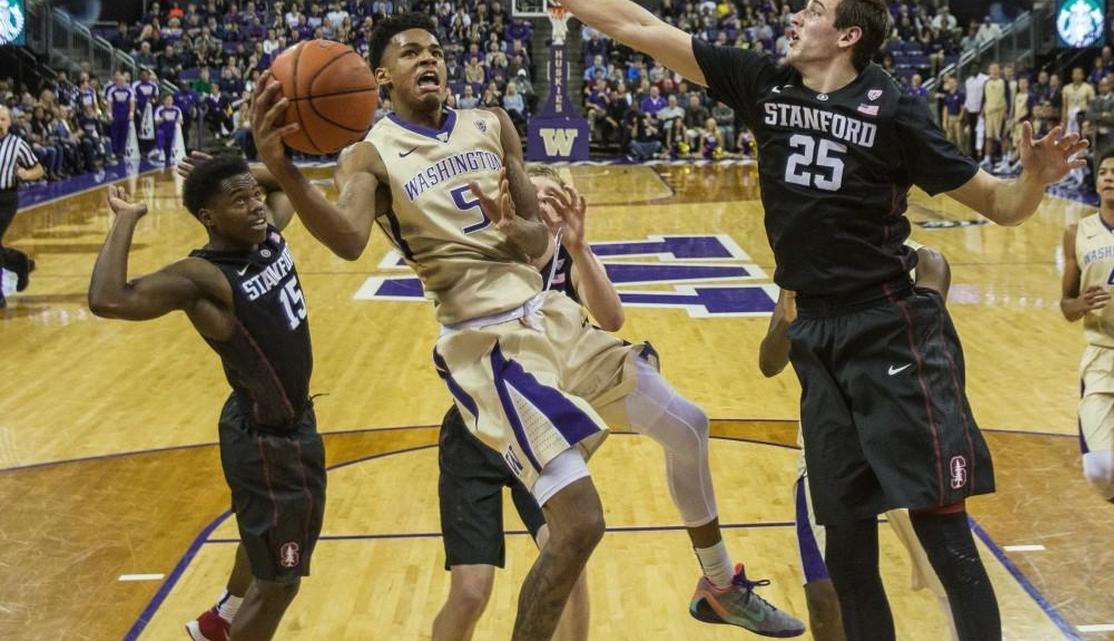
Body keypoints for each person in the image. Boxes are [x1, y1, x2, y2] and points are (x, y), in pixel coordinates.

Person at [249, 12, 803, 641]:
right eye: (409, 54)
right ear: (380, 76)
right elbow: (349, 239)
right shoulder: (369, 154)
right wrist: (285, 168)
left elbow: (538, 237)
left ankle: (719, 584)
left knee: (689, 426)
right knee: (580, 524)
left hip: (551, 317)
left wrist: (516, 230)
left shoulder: (492, 124)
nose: (427, 60)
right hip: (488, 344)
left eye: (434, 51)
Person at [555, 0, 1088, 639]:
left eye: (815, 8)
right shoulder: (762, 80)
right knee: (848, 545)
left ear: (847, 34)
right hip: (817, 333)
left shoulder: (894, 108)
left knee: (941, 530)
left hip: (889, 327)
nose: (798, 13)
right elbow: (643, 29)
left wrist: (1033, 179)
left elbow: (1001, 205)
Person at [88, 154, 326, 641]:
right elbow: (108, 298)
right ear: (208, 218)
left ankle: (223, 618)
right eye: (239, 201)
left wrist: (236, 169)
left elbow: (281, 187)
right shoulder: (204, 277)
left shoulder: (269, 234)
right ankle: (234, 618)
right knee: (280, 584)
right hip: (267, 442)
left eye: (254, 195)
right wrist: (126, 221)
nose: (256, 205)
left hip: (283, 424)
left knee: (259, 533)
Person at [432, 167, 606, 641]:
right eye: (536, 195)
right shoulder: (486, 257)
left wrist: (581, 249)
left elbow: (612, 318)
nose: (544, 203)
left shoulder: (571, 260)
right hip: (477, 431)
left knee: (569, 567)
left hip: (540, 426)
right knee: (470, 593)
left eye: (554, 195)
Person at [760, 243, 961, 641]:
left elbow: (928, 336)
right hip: (827, 445)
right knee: (825, 597)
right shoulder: (801, 267)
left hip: (902, 442)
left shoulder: (916, 261)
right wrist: (786, 315)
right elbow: (769, 363)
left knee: (948, 581)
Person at [1060, 147, 1114, 568]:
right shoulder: (1077, 232)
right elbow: (1065, 306)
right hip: (1102, 358)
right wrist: (1080, 305)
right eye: (1103, 172)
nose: (1107, 177)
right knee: (1097, 471)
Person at [0, 105, 44, 309]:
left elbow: (38, 169)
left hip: (5, 199)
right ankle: (20, 263)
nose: (0, 123)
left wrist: (27, 174)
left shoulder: (17, 144)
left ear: (9, 122)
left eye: (3, 119)